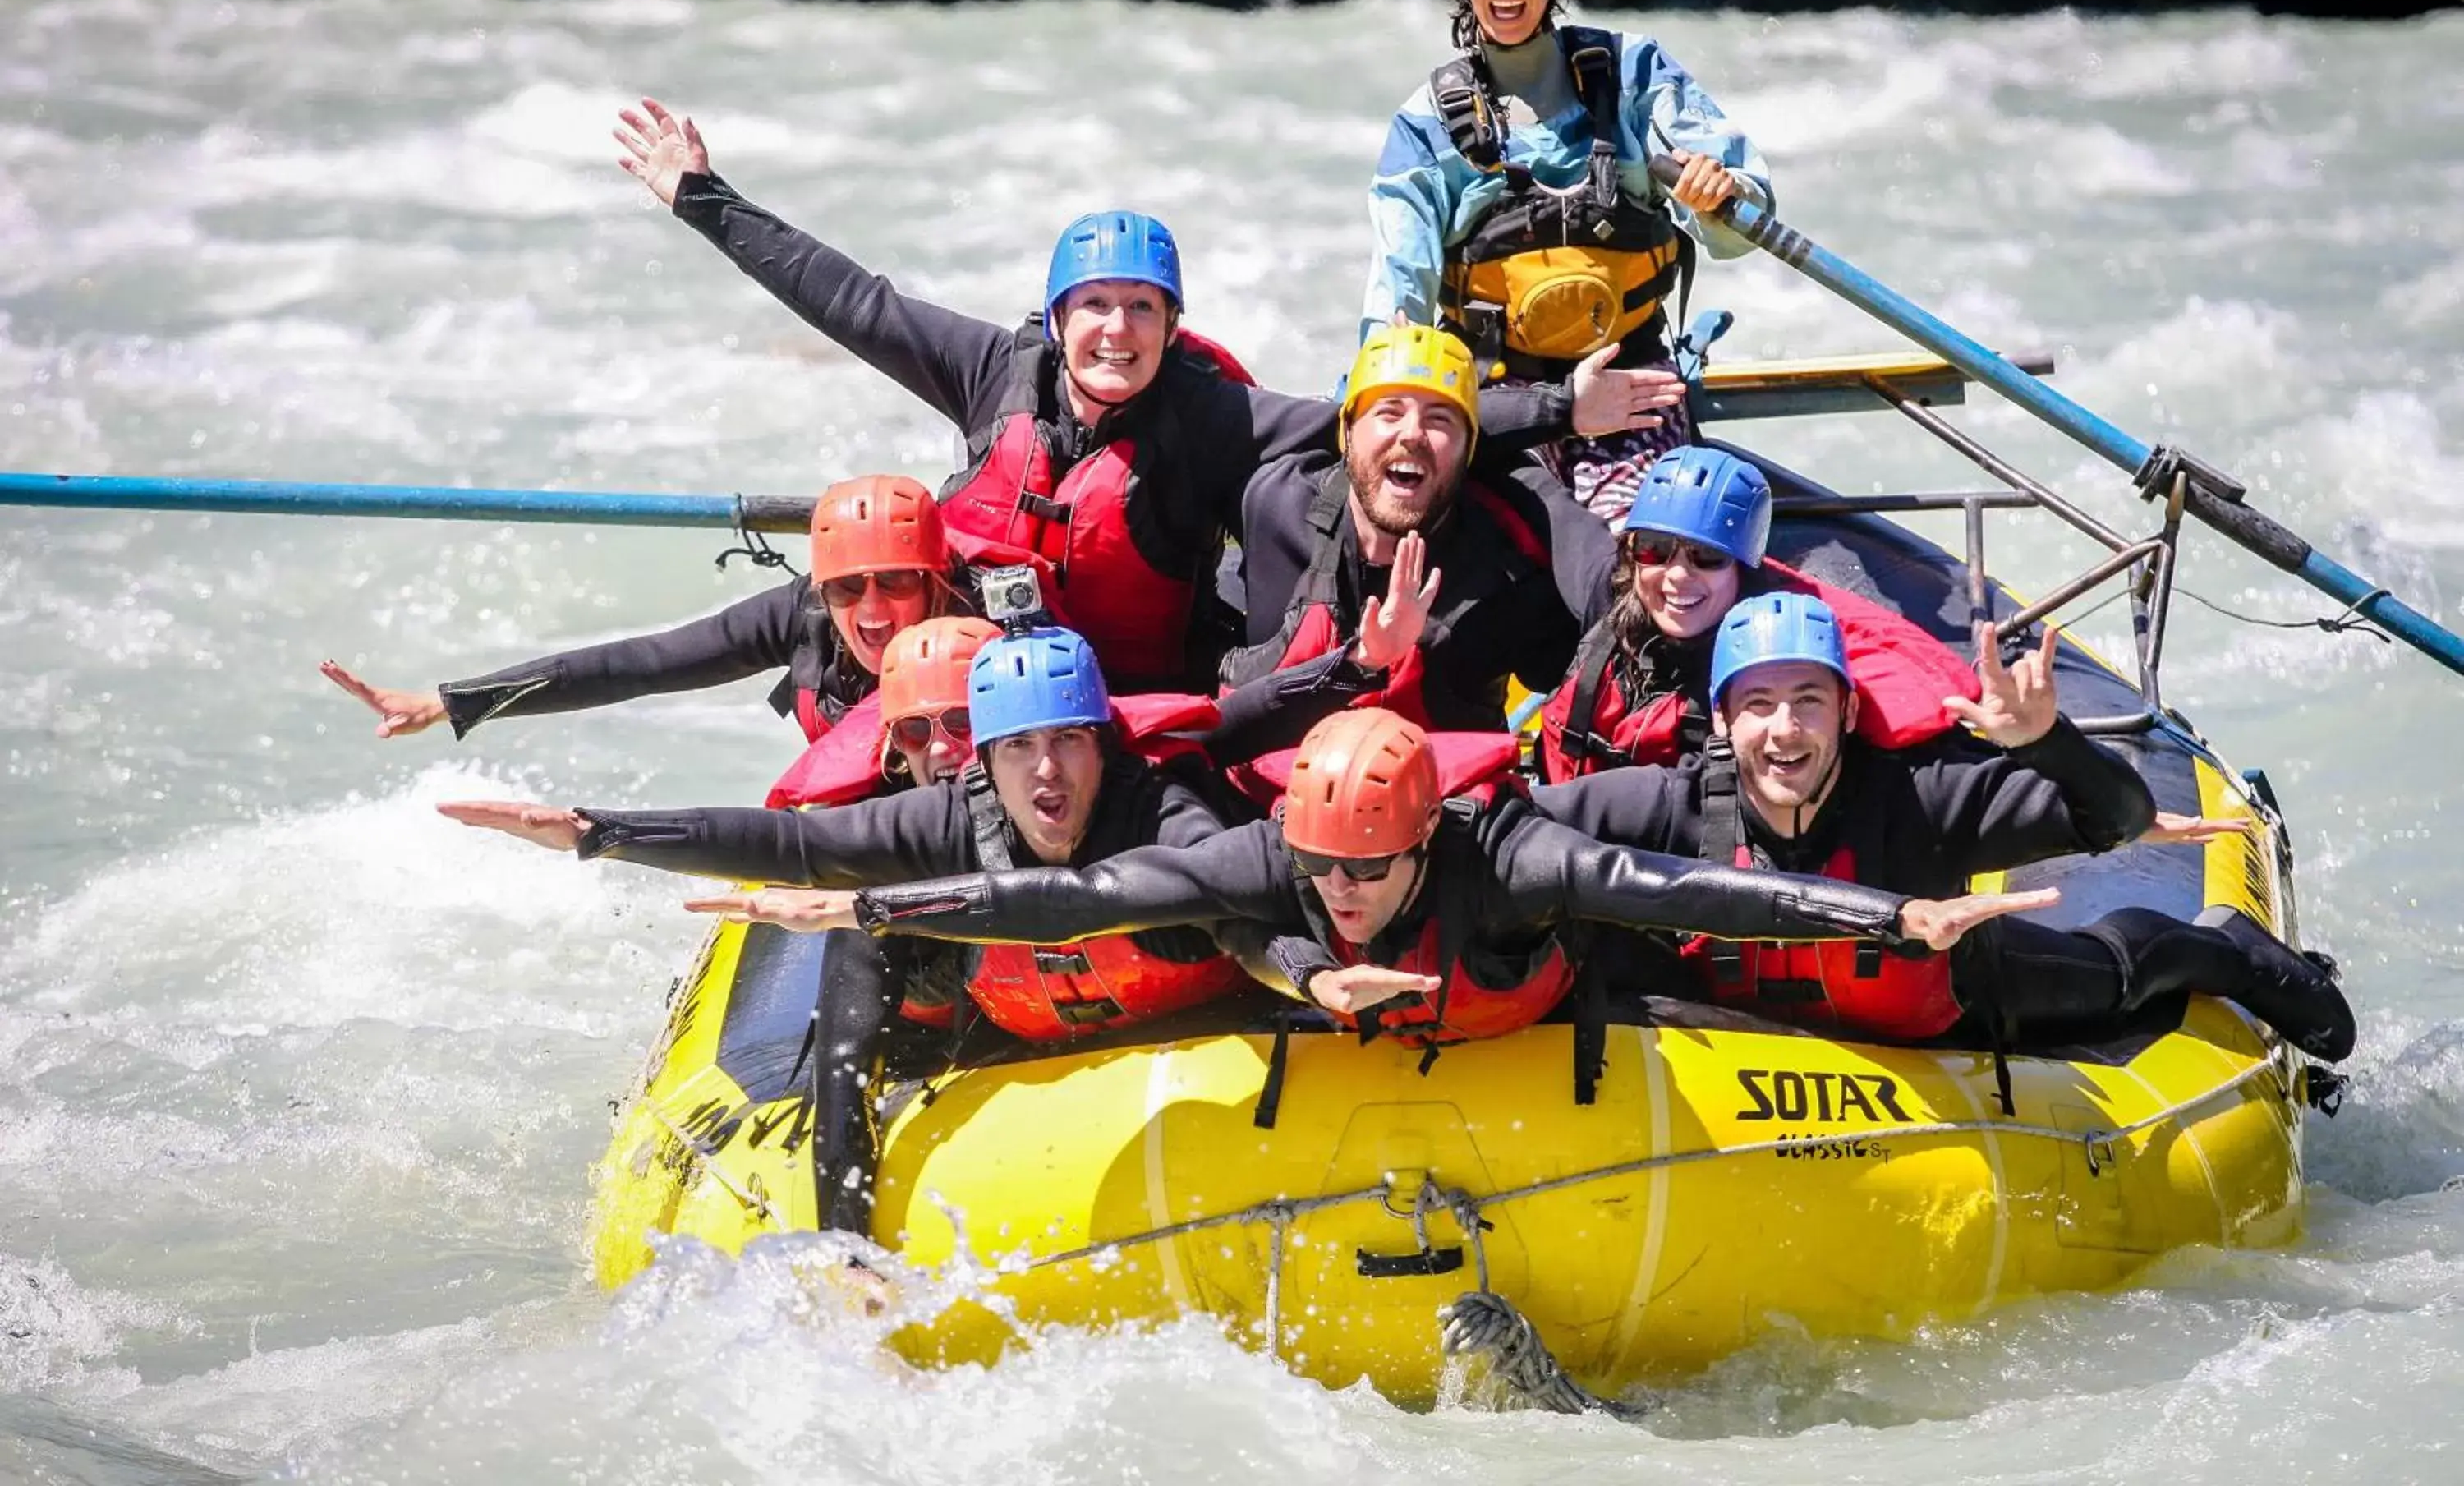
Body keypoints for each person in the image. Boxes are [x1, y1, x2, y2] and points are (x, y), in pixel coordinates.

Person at [612, 99, 1677, 691]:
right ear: (1058, 318)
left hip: (1132, 713)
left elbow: (1383, 427)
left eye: (1140, 310)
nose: (1115, 330)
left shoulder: (1210, 415)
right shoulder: (994, 372)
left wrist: (1553, 411)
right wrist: (705, 202)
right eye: (1095, 308)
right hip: (977, 695)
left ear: (1170, 326)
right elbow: (853, 300)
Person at [439, 625, 1266, 1231]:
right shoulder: (939, 828)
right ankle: (841, 1232)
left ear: (1103, 748)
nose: (1046, 769)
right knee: (863, 923)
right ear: (988, 763)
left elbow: (1255, 897)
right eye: (1019, 747)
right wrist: (600, 831)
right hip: (1003, 1035)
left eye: (1068, 742)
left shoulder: (1162, 807)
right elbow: (796, 843)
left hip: (1208, 1036)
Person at [698, 709, 2049, 1073]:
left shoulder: (1510, 857)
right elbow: (1076, 901)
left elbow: (1686, 883)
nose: (1343, 891)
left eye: (1370, 871)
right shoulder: (1274, 860)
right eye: (1325, 870)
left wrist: (1894, 917)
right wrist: (873, 911)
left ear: (1425, 847)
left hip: (1548, 1014)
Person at [1533, 593, 2355, 1060]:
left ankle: (2224, 942)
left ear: (1848, 710)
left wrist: (2045, 741)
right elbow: (1506, 833)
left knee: (2125, 974)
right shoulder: (1665, 805)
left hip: (1957, 1001)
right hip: (1770, 1032)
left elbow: (2118, 816)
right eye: (1758, 704)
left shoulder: (1916, 800)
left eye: (1808, 701)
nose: (1784, 730)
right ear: (1723, 719)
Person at [1363, 0, 1774, 520]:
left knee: (1639, 548)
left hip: (1633, 379)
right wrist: (1379, 381)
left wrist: (1717, 196)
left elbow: (1737, 231)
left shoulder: (1636, 74)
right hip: (1495, 391)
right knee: (1501, 554)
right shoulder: (1426, 126)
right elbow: (1399, 293)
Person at [320, 473, 965, 746]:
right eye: (850, 588)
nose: (873, 608)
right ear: (822, 589)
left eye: (897, 582)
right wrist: (452, 701)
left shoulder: (986, 637)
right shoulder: (805, 615)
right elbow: (645, 663)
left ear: (935, 581)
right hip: (860, 833)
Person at [1221, 322, 1620, 731]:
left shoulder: (1504, 573)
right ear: (1346, 433)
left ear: (1470, 452)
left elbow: (1591, 669)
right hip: (1273, 778)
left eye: (1440, 420)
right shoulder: (1276, 503)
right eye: (1389, 412)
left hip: (1436, 792)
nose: (1412, 434)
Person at [1538, 446, 1976, 780]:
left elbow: (1913, 702)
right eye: (1655, 549)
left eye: (1707, 556)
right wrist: (1557, 408)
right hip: (1574, 840)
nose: (1675, 576)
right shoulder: (1614, 597)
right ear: (1631, 553)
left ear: (1745, 570)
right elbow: (1545, 504)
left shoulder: (1779, 650)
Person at [766, 614, 1002, 809]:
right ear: (895, 743)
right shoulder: (872, 829)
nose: (940, 748)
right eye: (914, 729)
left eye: (963, 721)